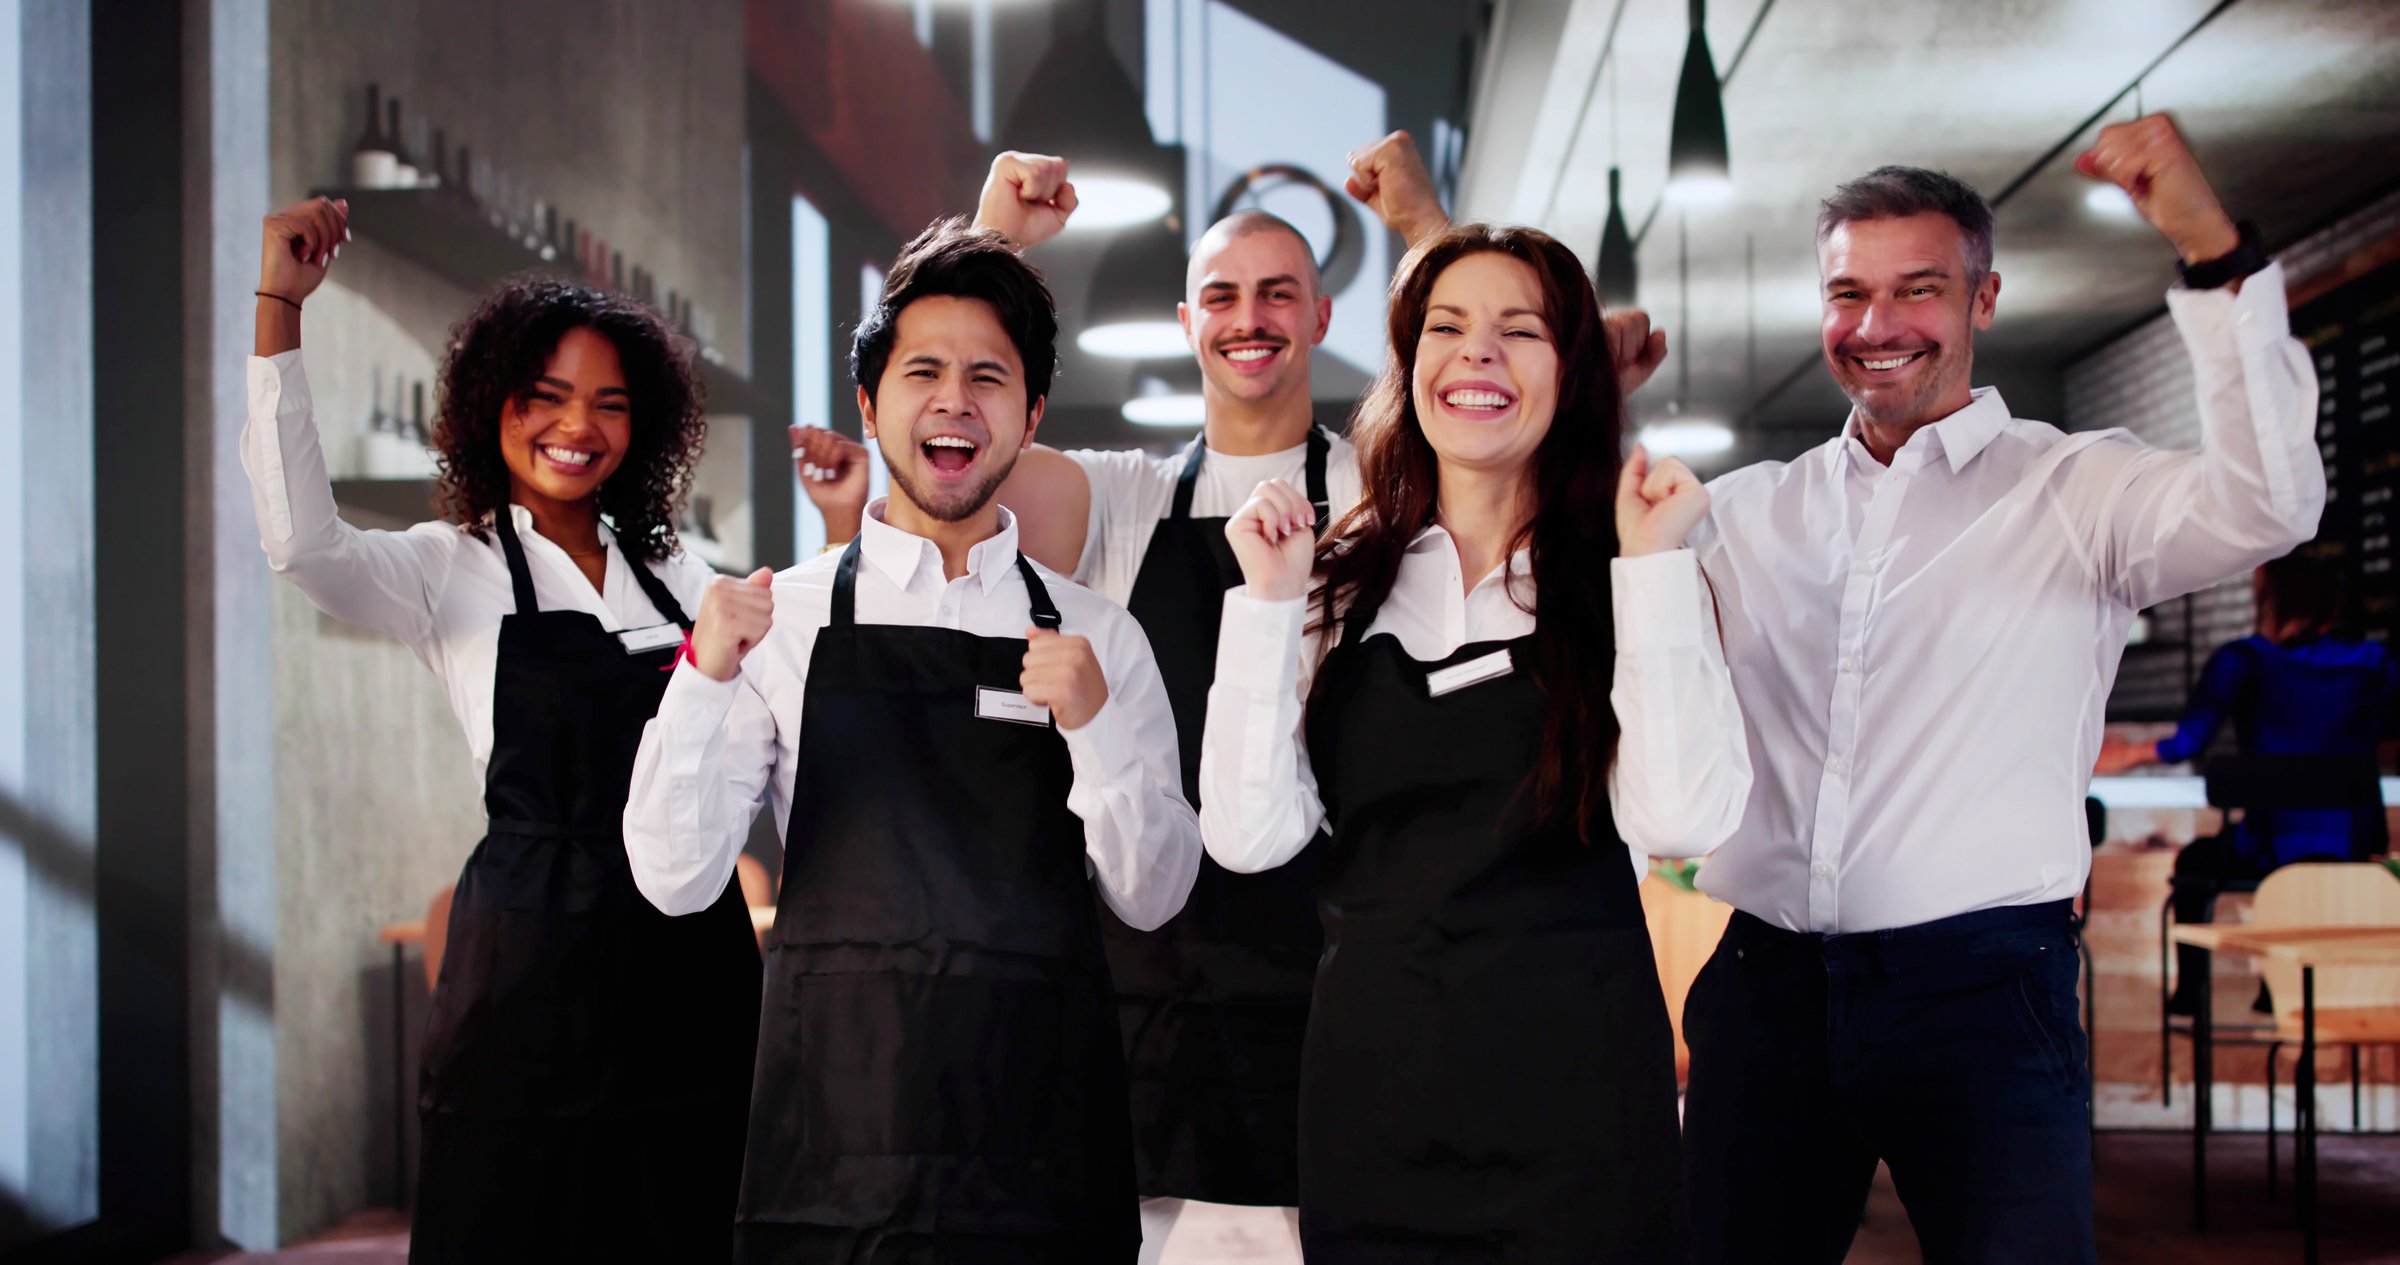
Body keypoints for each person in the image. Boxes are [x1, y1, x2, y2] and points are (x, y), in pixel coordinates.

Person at [1667, 118, 2319, 1263]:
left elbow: (2268, 504)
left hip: (1985, 994)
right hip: (1765, 987)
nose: (1876, 325)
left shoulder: (2079, 489)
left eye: (1916, 289)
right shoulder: (1744, 511)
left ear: (1984, 298)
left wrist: (2210, 248)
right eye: (1848, 293)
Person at [623, 219, 1202, 1262]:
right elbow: (673, 880)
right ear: (869, 402)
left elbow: (1154, 894)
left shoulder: (1098, 635)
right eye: (923, 370)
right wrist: (701, 678)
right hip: (838, 1142)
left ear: (1031, 415)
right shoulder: (781, 619)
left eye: (989, 377)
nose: (953, 400)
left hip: (1041, 1137)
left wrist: (1096, 727)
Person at [1200, 222, 1751, 1261]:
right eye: (1446, 327)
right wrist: (1265, 604)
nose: (1478, 353)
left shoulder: (1633, 567)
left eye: (1520, 329)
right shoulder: (1335, 582)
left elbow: (1682, 820)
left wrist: (1651, 571)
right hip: (1375, 1101)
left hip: (1581, 1107)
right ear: (1410, 367)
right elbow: (1247, 837)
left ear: (1571, 371)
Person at [242, 198, 761, 1262]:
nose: (578, 426)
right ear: (494, 405)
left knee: (685, 1210)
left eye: (610, 404)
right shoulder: (448, 568)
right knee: (512, 1213)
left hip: (685, 944)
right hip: (529, 955)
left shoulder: (679, 575)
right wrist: (278, 309)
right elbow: (301, 545)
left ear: (644, 427)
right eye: (546, 396)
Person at [2098, 551, 2397, 1013]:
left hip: (2264, 848)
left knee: (2196, 861)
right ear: (2330, 606)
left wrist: (2123, 754)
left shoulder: (2243, 660)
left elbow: (2187, 742)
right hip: (2348, 849)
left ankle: (2193, 994)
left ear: (2270, 602)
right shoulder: (2374, 663)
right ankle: (2283, 985)